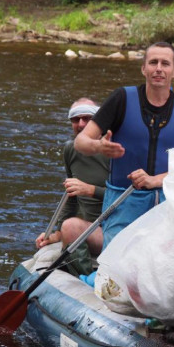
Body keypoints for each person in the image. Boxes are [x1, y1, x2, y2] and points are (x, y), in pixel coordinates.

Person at [75, 41, 174, 257]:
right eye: (153, 62)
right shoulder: (122, 99)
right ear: (143, 68)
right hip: (122, 201)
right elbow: (81, 142)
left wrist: (155, 180)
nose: (158, 68)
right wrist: (98, 145)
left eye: (165, 63)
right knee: (118, 262)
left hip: (167, 204)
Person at [35, 98, 109, 276]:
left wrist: (91, 190)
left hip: (117, 230)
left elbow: (132, 198)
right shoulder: (71, 150)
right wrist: (56, 234)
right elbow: (71, 196)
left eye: (87, 119)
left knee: (71, 226)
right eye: (76, 120)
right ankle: (82, 275)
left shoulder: (112, 151)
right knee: (67, 227)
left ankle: (87, 279)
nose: (81, 124)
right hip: (93, 230)